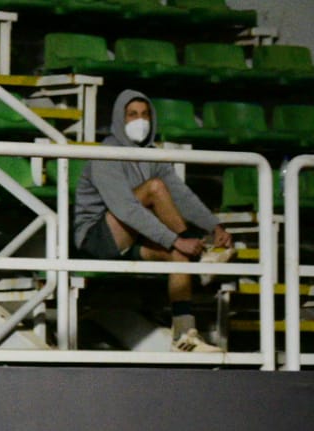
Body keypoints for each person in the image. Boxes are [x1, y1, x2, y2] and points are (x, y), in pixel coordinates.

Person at [73, 89, 236, 355]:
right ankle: (200, 255)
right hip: (98, 238)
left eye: (145, 114)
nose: (141, 120)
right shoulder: (107, 154)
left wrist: (213, 226)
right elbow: (125, 209)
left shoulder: (152, 154)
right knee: (155, 190)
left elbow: (182, 196)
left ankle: (184, 336)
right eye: (133, 115)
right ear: (120, 119)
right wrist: (177, 239)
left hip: (135, 237)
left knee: (177, 255)